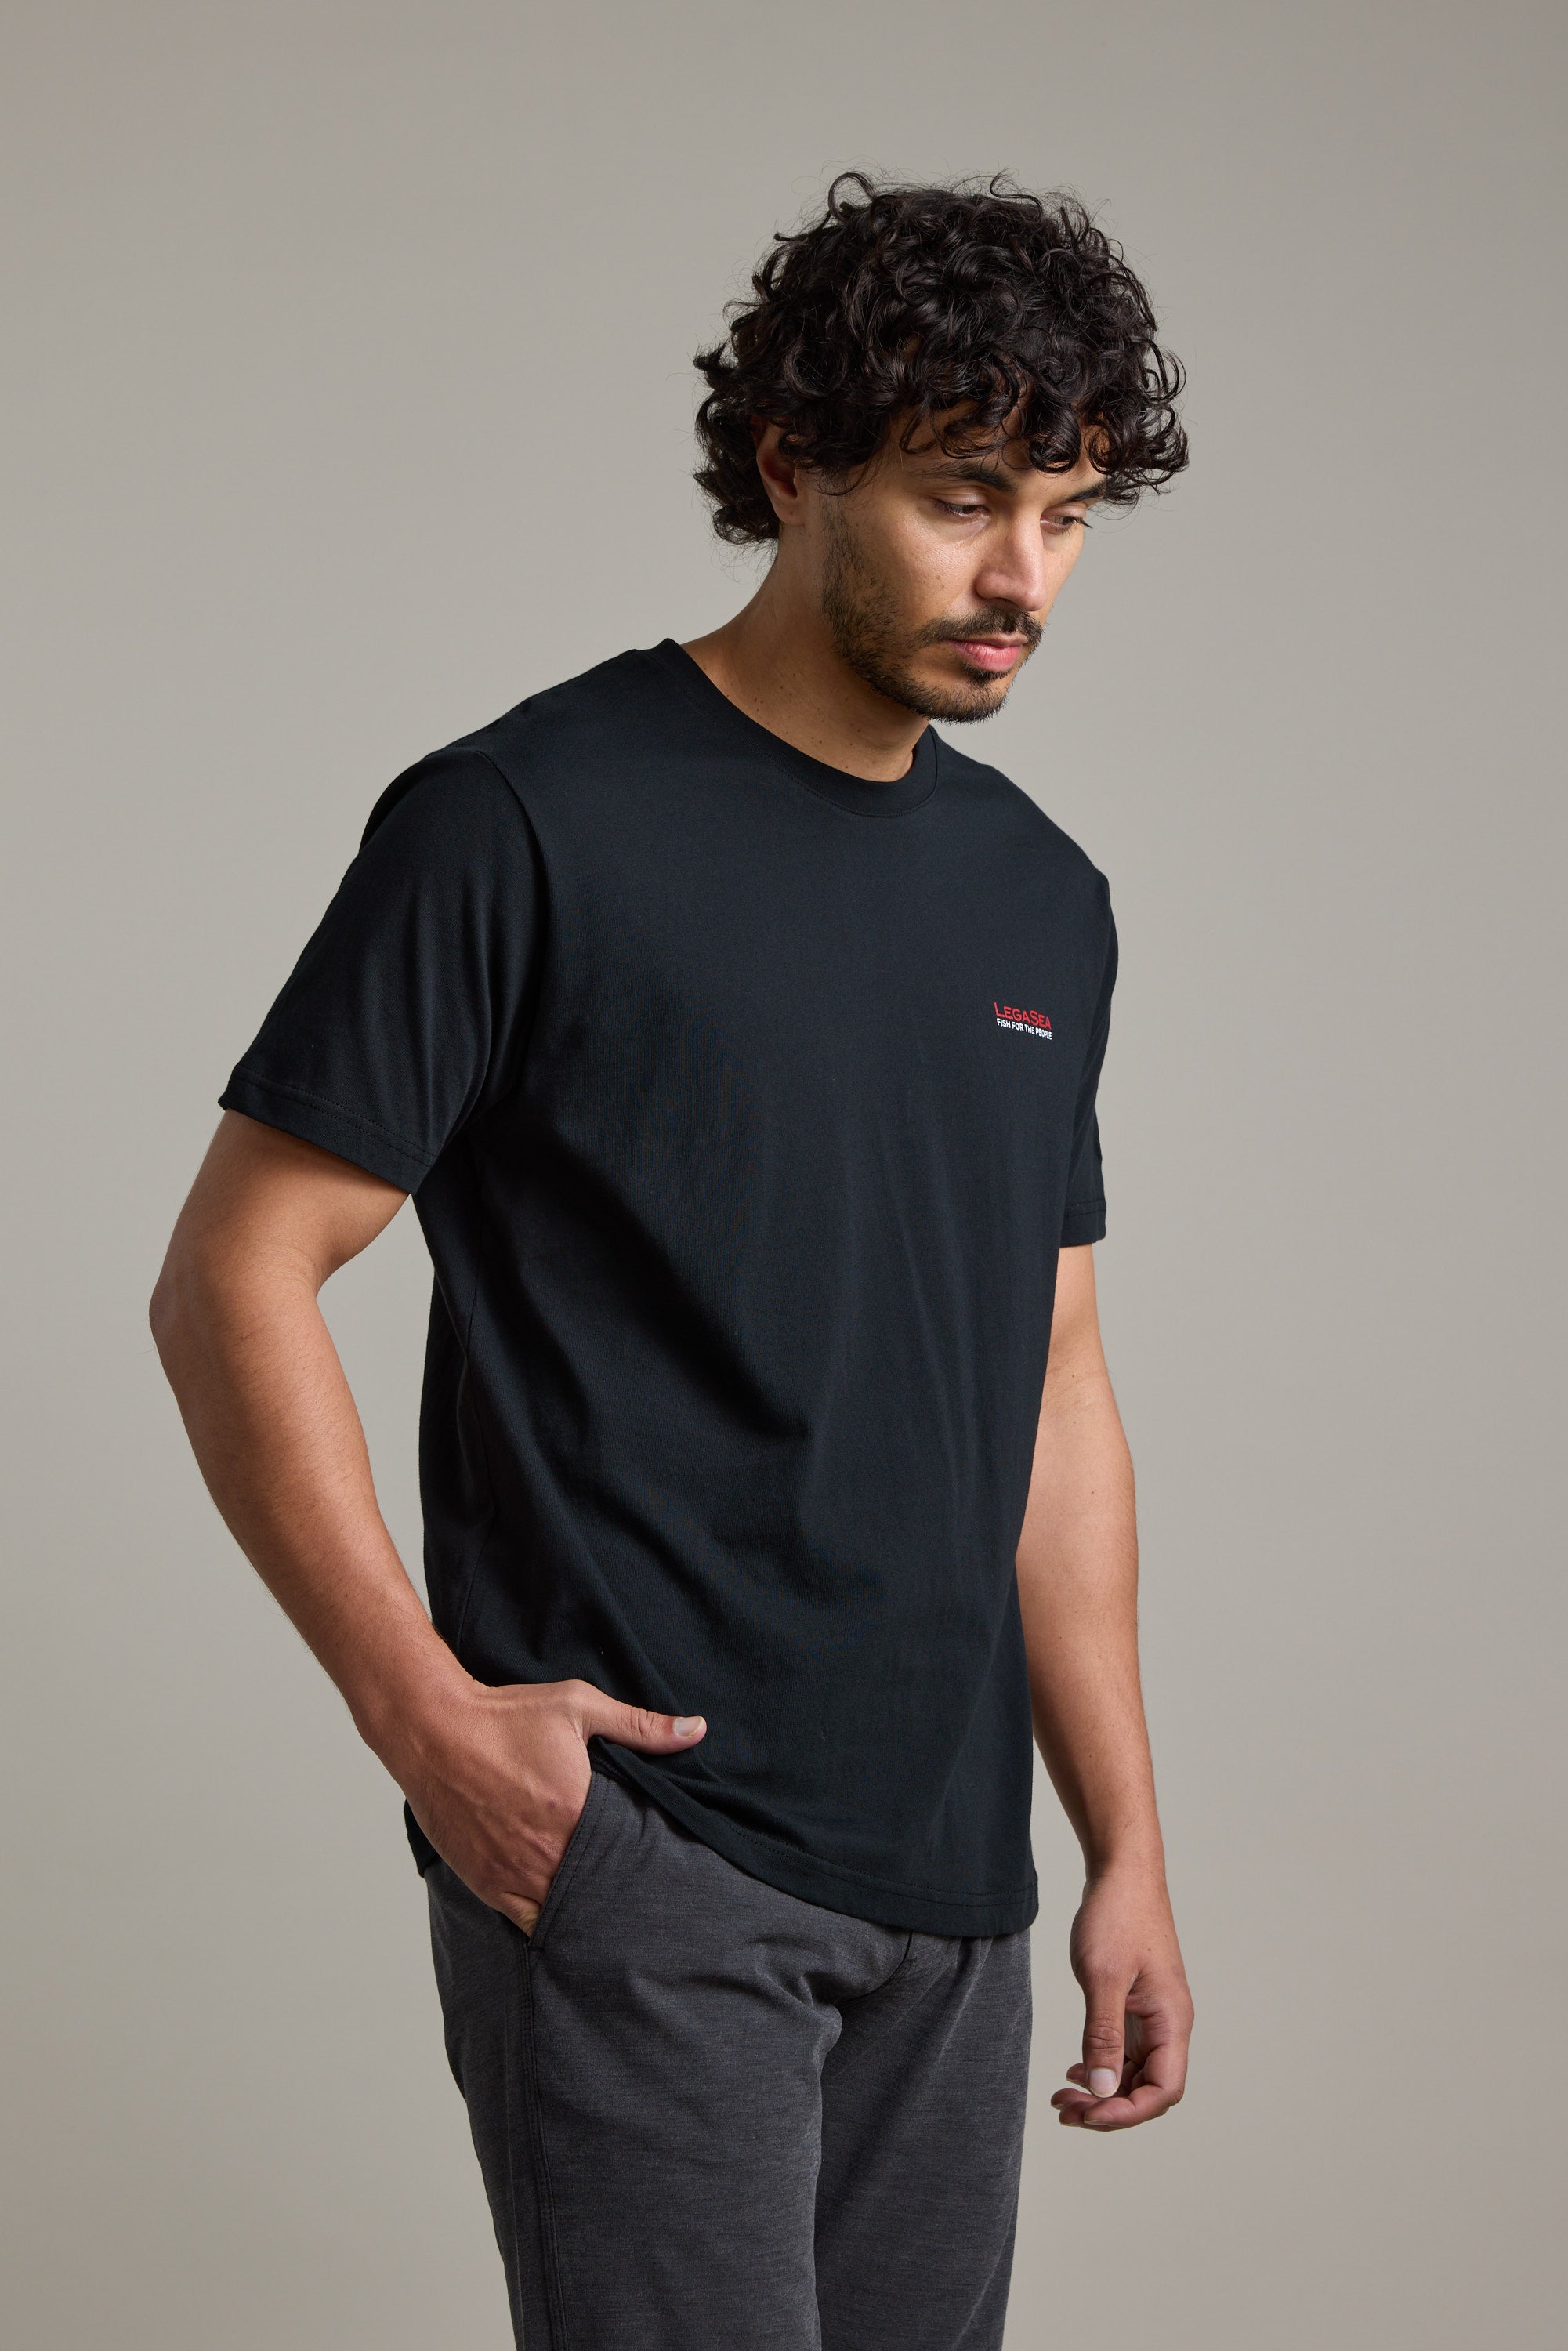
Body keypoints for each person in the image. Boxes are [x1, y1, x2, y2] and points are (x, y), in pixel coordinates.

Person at [151, 171, 1194, 2351]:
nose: (1022, 578)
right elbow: (234, 1272)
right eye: (960, 495)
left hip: (957, 1897)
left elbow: (1053, 1386)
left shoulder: (1042, 900)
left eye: (1068, 513)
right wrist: (419, 1715)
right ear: (792, 465)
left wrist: (1123, 1847)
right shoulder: (523, 819)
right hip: (649, 1852)